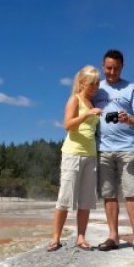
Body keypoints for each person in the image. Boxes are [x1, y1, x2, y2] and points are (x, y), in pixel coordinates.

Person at [94, 49, 134, 252]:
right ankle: (113, 236)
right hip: (102, 148)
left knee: (132, 192)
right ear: (103, 66)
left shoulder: (131, 88)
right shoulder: (96, 88)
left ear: (122, 67)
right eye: (109, 68)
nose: (112, 72)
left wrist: (130, 119)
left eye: (116, 69)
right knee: (109, 193)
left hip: (127, 148)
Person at [47, 65, 103, 252]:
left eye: (97, 83)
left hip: (90, 155)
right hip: (72, 153)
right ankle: (55, 238)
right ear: (82, 83)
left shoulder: (93, 103)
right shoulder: (75, 100)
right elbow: (68, 125)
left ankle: (81, 237)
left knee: (86, 199)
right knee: (64, 197)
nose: (95, 87)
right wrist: (87, 114)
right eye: (92, 84)